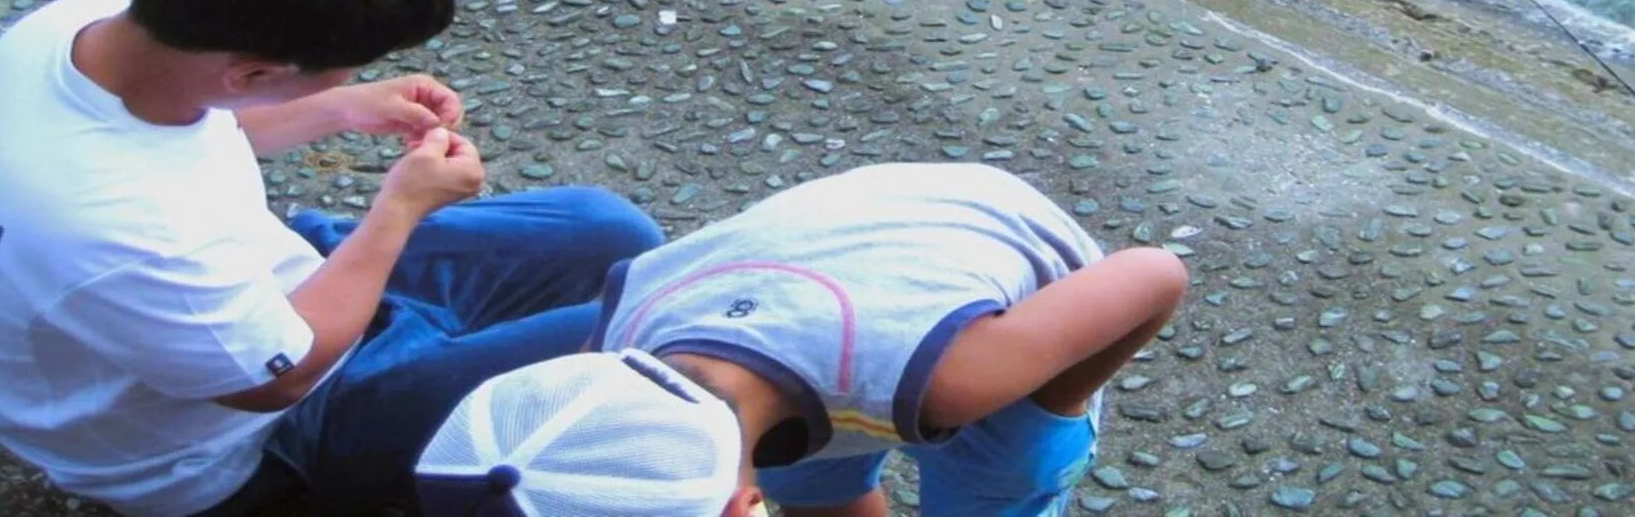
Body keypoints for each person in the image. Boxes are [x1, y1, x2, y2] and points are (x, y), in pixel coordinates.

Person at [0, 0, 665, 517]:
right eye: (342, 67)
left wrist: (342, 104)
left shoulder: (85, 25)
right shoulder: (113, 232)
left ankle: (469, 361)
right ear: (253, 72)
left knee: (608, 230)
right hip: (239, 445)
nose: (349, 76)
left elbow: (195, 127)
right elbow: (276, 382)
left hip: (245, 286)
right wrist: (401, 208)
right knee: (653, 329)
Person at [410, 162, 1190, 517]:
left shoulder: (964, 375)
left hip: (979, 269)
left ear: (742, 505)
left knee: (1006, 474)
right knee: (818, 482)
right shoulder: (600, 370)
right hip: (814, 289)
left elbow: (1155, 272)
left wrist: (1056, 395)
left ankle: (1031, 433)